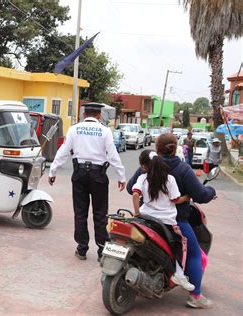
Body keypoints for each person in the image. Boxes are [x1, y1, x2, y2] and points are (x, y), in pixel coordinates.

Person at [127, 133, 216, 309]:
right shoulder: (183, 169)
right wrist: (211, 191)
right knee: (194, 254)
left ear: (156, 146)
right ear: (175, 147)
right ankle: (195, 296)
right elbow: (199, 194)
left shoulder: (148, 166)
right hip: (174, 220)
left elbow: (131, 188)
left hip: (145, 218)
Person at [49, 103, 126, 262]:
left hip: (79, 175)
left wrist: (53, 171)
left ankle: (82, 248)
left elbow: (63, 151)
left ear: (84, 115)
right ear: (99, 115)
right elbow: (112, 155)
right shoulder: (105, 131)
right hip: (98, 175)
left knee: (80, 212)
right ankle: (102, 250)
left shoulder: (74, 129)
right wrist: (121, 176)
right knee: (100, 214)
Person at [132, 149, 194, 291]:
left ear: (143, 166)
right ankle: (179, 274)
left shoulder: (143, 178)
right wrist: (187, 197)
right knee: (180, 245)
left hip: (146, 219)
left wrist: (137, 213)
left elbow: (135, 195)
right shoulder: (169, 179)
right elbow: (176, 200)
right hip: (166, 223)